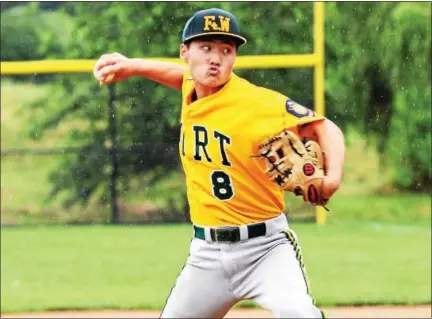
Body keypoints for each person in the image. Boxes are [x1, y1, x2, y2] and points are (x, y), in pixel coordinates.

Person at [94, 8, 345, 318]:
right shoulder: (191, 87)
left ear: (235, 58)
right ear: (185, 52)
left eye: (226, 50)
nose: (215, 58)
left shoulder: (258, 103)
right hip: (207, 255)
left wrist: (331, 180)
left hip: (265, 249)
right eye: (206, 48)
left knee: (299, 314)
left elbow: (325, 128)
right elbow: (178, 76)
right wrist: (132, 66)